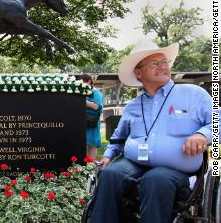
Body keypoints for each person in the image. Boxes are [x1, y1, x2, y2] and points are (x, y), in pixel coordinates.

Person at [90, 43, 212, 223]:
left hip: (175, 170)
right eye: (155, 64)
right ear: (139, 73)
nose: (163, 66)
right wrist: (107, 157)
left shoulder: (193, 94)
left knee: (155, 179)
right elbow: (118, 138)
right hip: (135, 163)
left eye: (164, 62)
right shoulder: (132, 106)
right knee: (110, 175)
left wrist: (202, 135)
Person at [81, 74, 103, 160]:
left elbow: (97, 107)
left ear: (89, 82)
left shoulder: (95, 92)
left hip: (92, 121)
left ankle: (91, 165)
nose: (81, 84)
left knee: (92, 144)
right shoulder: (82, 92)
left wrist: (83, 101)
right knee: (84, 144)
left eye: (83, 82)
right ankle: (85, 166)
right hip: (83, 121)